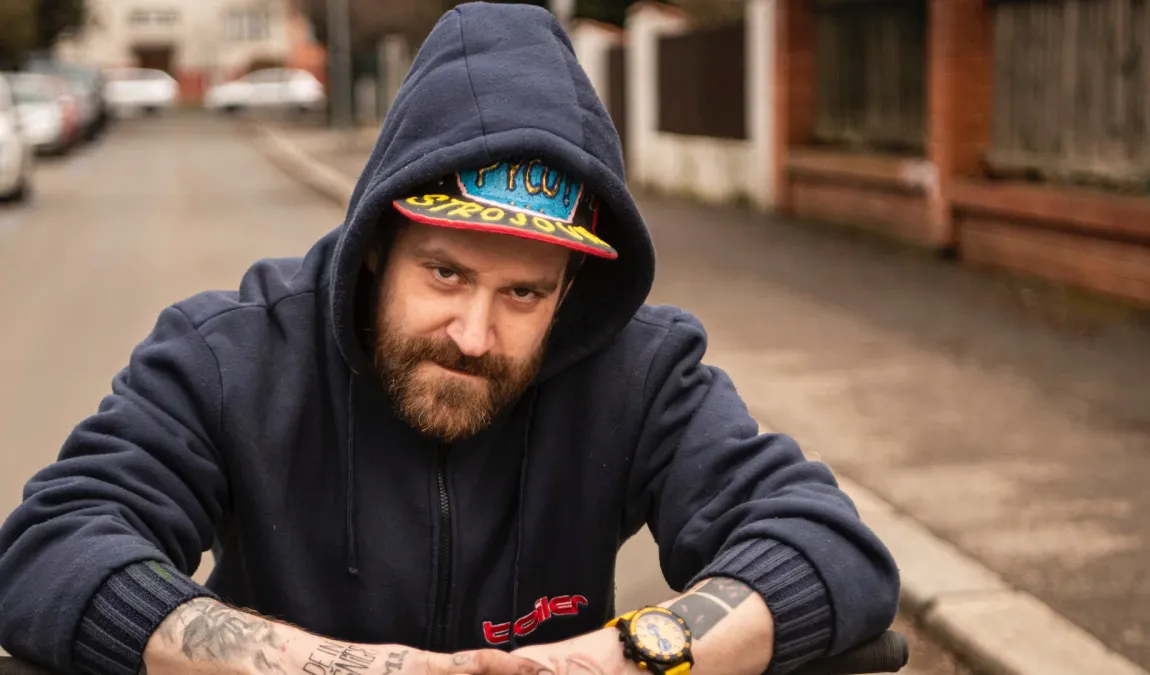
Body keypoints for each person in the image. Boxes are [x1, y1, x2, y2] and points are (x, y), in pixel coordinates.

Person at [0, 4, 899, 675]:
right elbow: (55, 542)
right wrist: (329, 667)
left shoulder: (639, 372)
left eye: (524, 292)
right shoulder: (231, 355)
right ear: (376, 245)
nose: (474, 335)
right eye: (444, 273)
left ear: (572, 288)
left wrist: (608, 659)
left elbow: (823, 543)